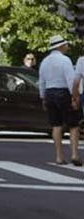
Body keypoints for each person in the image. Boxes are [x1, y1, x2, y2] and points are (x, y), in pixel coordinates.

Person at [40, 34, 80, 166]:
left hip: (50, 93)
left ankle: (59, 156)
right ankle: (74, 154)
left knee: (56, 125)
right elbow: (70, 80)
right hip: (63, 92)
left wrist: (43, 97)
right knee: (73, 125)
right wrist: (74, 97)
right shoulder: (65, 60)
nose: (67, 46)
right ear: (61, 46)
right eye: (66, 44)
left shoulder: (44, 61)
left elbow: (42, 82)